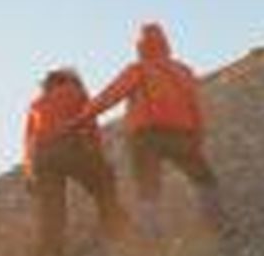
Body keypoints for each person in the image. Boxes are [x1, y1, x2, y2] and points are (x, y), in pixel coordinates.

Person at [75, 22, 223, 237]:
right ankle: (215, 221)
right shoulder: (183, 70)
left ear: (141, 47)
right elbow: (195, 105)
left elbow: (112, 95)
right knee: (203, 178)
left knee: (148, 184)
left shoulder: (138, 69)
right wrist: (199, 133)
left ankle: (151, 233)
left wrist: (84, 116)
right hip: (182, 134)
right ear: (165, 44)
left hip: (146, 136)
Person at [23, 68, 127, 256]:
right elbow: (89, 121)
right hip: (69, 146)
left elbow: (29, 140)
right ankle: (116, 226)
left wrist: (29, 173)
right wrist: (97, 154)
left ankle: (50, 252)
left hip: (43, 156)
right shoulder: (75, 92)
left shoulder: (36, 104)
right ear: (69, 80)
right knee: (103, 183)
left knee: (51, 207)